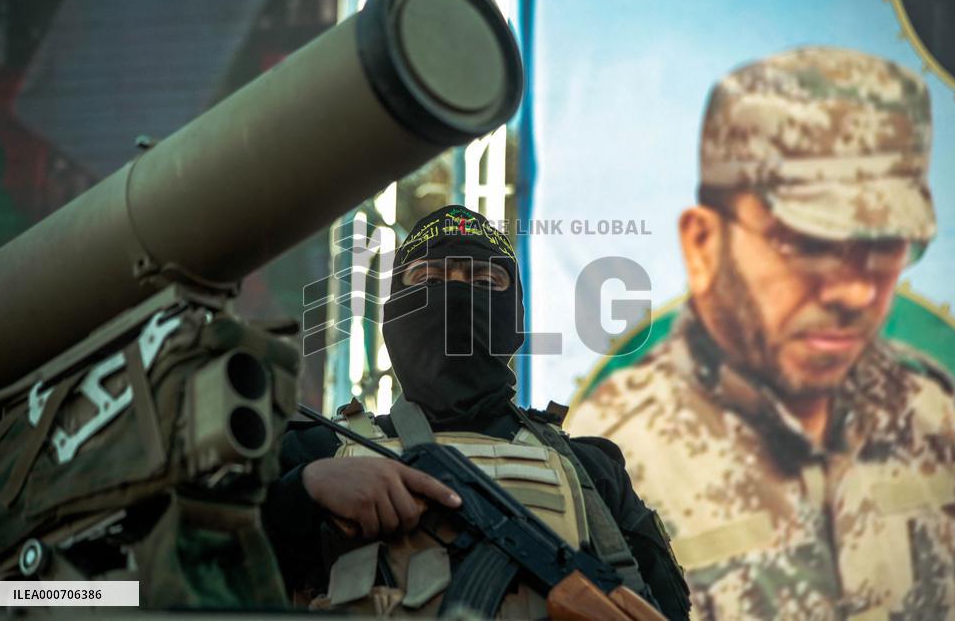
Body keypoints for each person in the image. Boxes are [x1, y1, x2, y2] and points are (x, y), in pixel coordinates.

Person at [566, 47, 955, 620]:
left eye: (884, 246)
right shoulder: (610, 455)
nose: (855, 292)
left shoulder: (930, 419)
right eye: (806, 243)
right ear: (704, 244)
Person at [262, 205, 691, 619]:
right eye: (427, 277)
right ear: (394, 312)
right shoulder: (318, 448)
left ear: (514, 315)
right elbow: (207, 565)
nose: (455, 292)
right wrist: (304, 492)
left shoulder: (591, 472)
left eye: (484, 280)